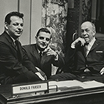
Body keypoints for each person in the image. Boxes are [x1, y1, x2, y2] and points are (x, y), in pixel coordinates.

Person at [0, 11, 46, 84]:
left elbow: (26, 60)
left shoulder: (17, 43)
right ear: (6, 25)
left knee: (39, 73)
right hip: (4, 82)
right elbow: (14, 66)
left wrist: (37, 73)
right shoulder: (1, 42)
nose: (20, 28)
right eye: (15, 24)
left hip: (14, 77)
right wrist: (35, 77)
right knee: (30, 76)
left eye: (21, 25)